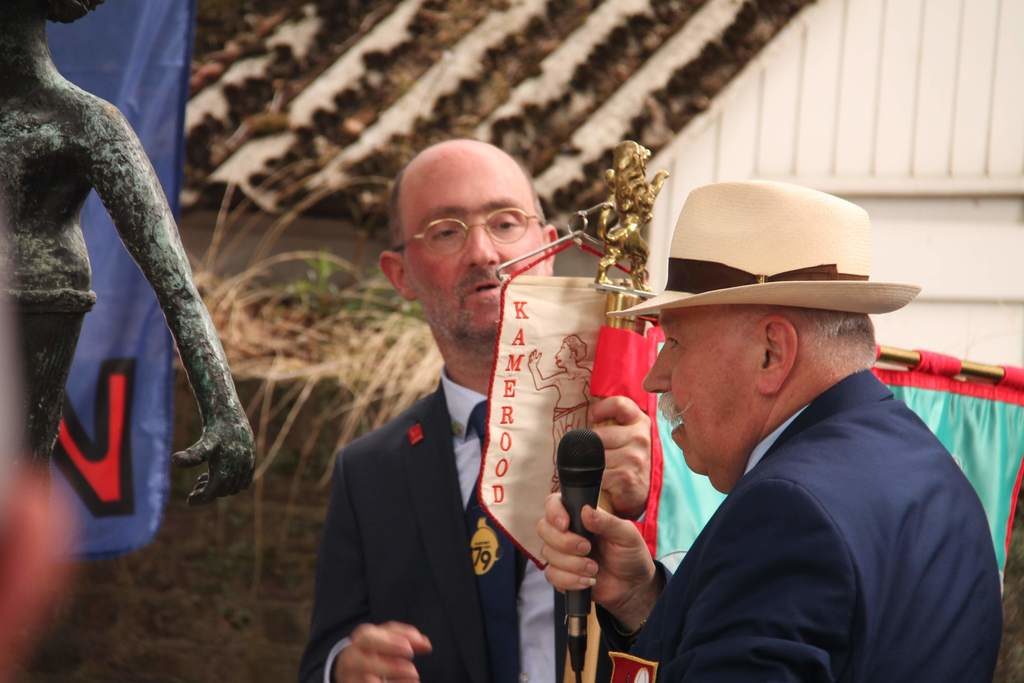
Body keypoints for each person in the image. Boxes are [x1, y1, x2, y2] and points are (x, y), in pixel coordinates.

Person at [537, 180, 1003, 681]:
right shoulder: (931, 467)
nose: (656, 378)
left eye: (674, 342)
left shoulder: (787, 511)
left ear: (771, 353)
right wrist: (641, 598)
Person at [299, 140, 653, 683]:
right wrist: (342, 668)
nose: (485, 252)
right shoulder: (369, 473)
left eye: (506, 223)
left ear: (551, 245)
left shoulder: (645, 429)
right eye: (446, 231)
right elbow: (323, 655)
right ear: (399, 275)